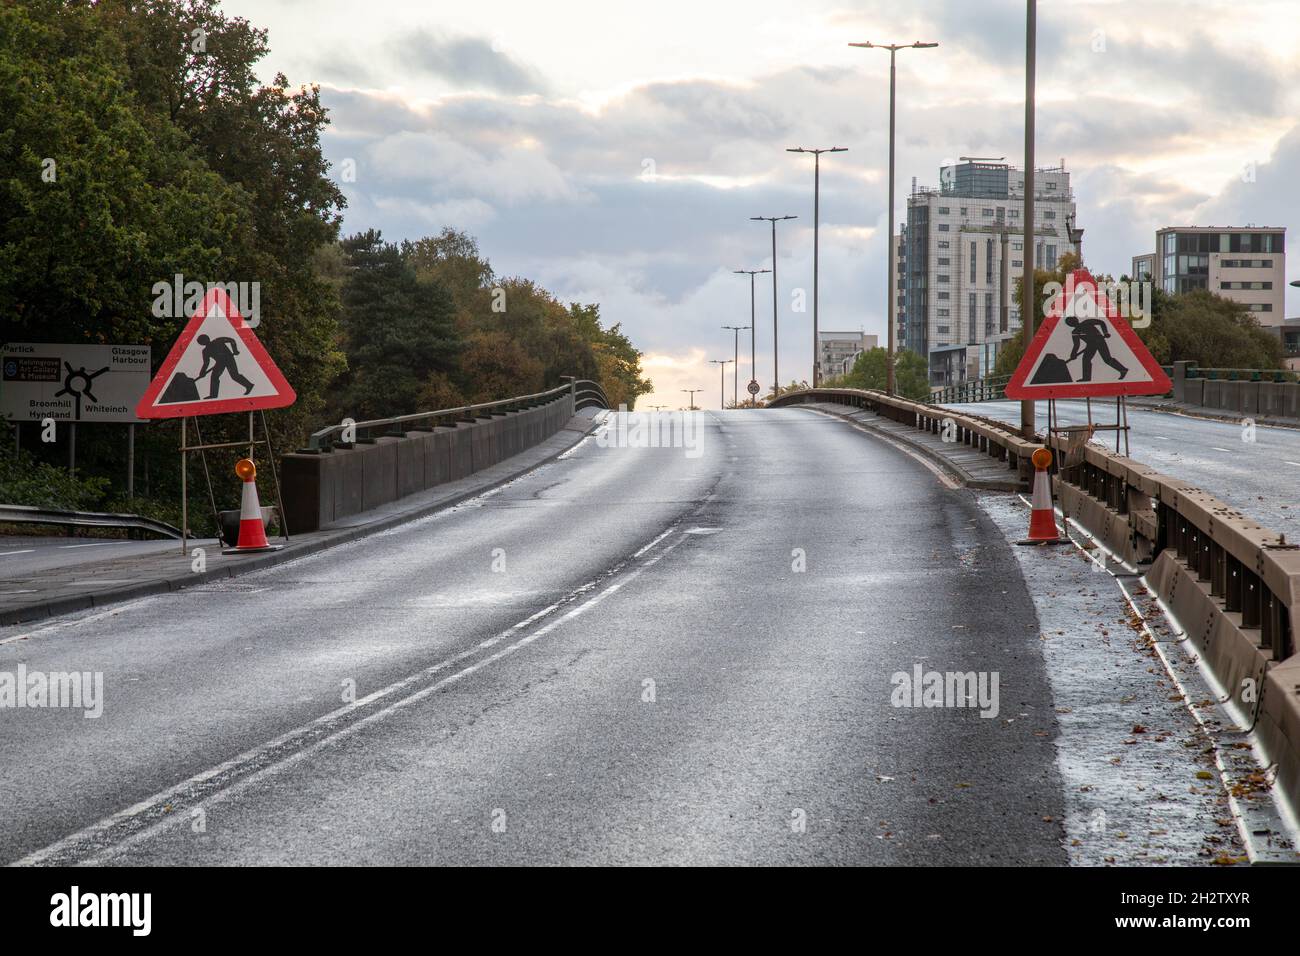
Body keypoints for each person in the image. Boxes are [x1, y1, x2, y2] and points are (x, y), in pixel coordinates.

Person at [1065, 315, 1127, 381]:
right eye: (1070, 322)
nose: (1072, 323)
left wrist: (1105, 332)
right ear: (1070, 325)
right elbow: (1076, 345)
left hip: (1099, 341)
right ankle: (1086, 378)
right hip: (1090, 345)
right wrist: (1073, 354)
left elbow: (1101, 322)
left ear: (1076, 319)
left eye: (1072, 321)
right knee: (1086, 360)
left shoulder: (1087, 322)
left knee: (1107, 359)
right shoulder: (1075, 332)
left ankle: (1123, 370)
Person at [195, 334, 254, 399]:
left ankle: (249, 385)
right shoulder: (205, 351)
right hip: (220, 363)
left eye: (204, 340)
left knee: (234, 375)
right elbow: (206, 362)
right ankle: (213, 395)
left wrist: (235, 350)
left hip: (229, 359)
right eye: (202, 342)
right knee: (214, 377)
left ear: (207, 338)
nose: (204, 342)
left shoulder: (218, 341)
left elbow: (232, 340)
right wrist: (202, 372)